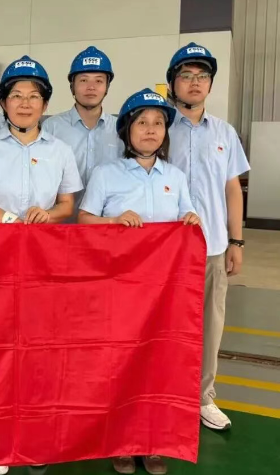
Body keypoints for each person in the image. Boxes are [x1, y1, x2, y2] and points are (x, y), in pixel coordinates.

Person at [0, 56, 83, 474]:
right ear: (4, 102)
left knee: (36, 349)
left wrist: (49, 215)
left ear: (45, 105)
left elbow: (67, 204)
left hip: (41, 264)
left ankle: (33, 434)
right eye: (16, 95)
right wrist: (10, 221)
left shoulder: (60, 151)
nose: (25, 103)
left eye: (34, 96)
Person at [79, 88, 200, 475]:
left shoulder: (175, 177)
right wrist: (113, 221)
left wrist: (191, 221)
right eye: (142, 122)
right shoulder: (106, 174)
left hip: (163, 295)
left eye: (158, 123)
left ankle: (153, 442)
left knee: (159, 365)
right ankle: (121, 441)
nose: (150, 129)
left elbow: (188, 219)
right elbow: (84, 221)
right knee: (119, 365)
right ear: (126, 131)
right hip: (118, 291)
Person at [166, 43, 250, 431]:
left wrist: (236, 241)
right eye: (186, 75)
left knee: (209, 326)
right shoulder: (156, 125)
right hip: (165, 250)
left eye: (202, 76)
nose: (195, 82)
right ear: (173, 83)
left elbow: (232, 188)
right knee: (162, 326)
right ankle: (162, 394)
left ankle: (202, 397)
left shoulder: (224, 132)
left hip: (212, 247)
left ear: (211, 84)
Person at [42, 46, 122, 187]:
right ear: (72, 86)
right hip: (62, 202)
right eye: (84, 80)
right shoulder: (51, 127)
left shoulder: (121, 128)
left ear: (107, 87)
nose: (91, 87)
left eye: (99, 81)